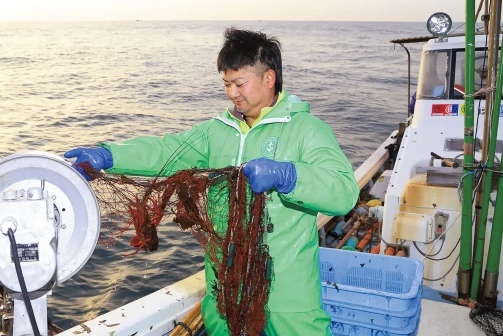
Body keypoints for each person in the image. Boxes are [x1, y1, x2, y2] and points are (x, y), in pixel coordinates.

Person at [64, 28, 359, 335]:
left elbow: (344, 192)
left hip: (289, 297)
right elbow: (167, 150)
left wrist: (289, 176)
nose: (232, 93)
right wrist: (110, 155)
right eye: (226, 84)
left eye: (239, 83)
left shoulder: (306, 129)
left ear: (269, 78)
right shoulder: (217, 131)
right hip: (224, 290)